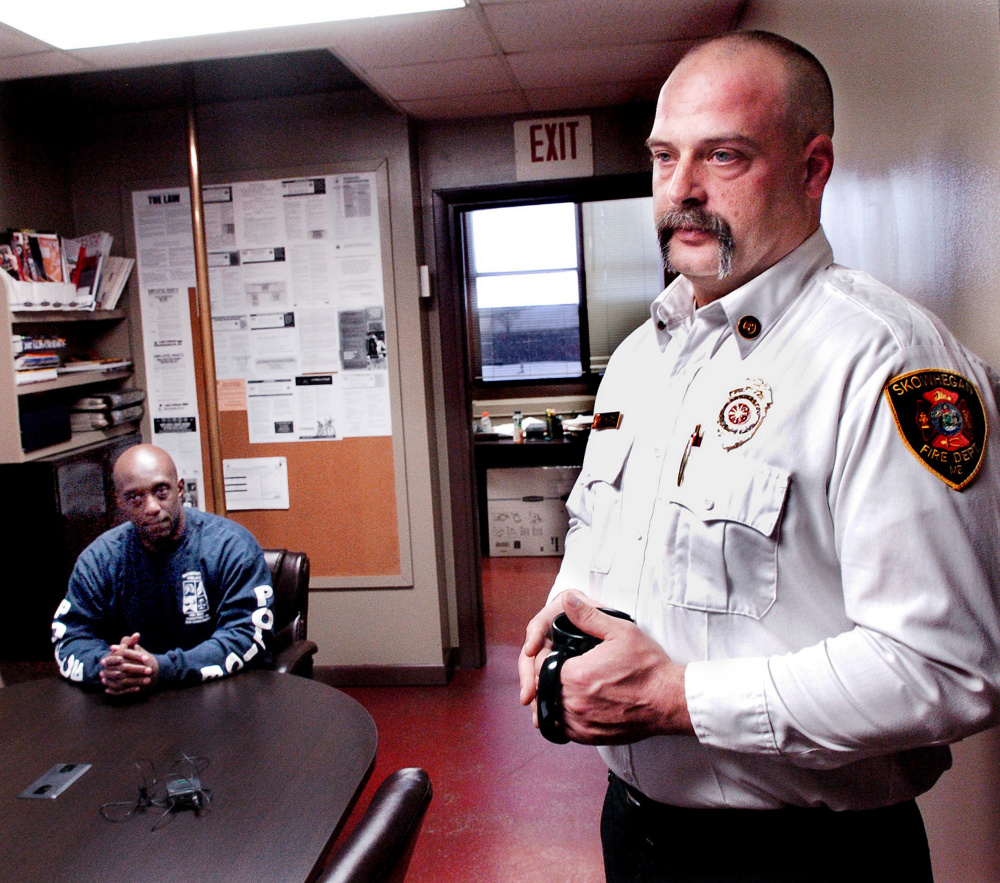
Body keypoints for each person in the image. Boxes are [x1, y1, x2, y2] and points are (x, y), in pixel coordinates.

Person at [518, 30, 1000, 882]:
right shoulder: (640, 358)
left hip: (806, 856)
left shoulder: (886, 361)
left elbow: (947, 665)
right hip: (633, 832)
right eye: (665, 156)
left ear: (813, 169)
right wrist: (565, 613)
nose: (681, 191)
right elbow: (600, 536)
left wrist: (676, 698)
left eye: (724, 156)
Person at [52, 444, 274, 696]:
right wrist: (108, 666)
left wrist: (162, 668)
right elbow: (71, 637)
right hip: (131, 705)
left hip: (221, 698)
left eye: (161, 491)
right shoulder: (100, 559)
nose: (151, 507)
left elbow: (245, 635)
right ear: (119, 502)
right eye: (135, 497)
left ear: (180, 489)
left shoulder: (230, 547)